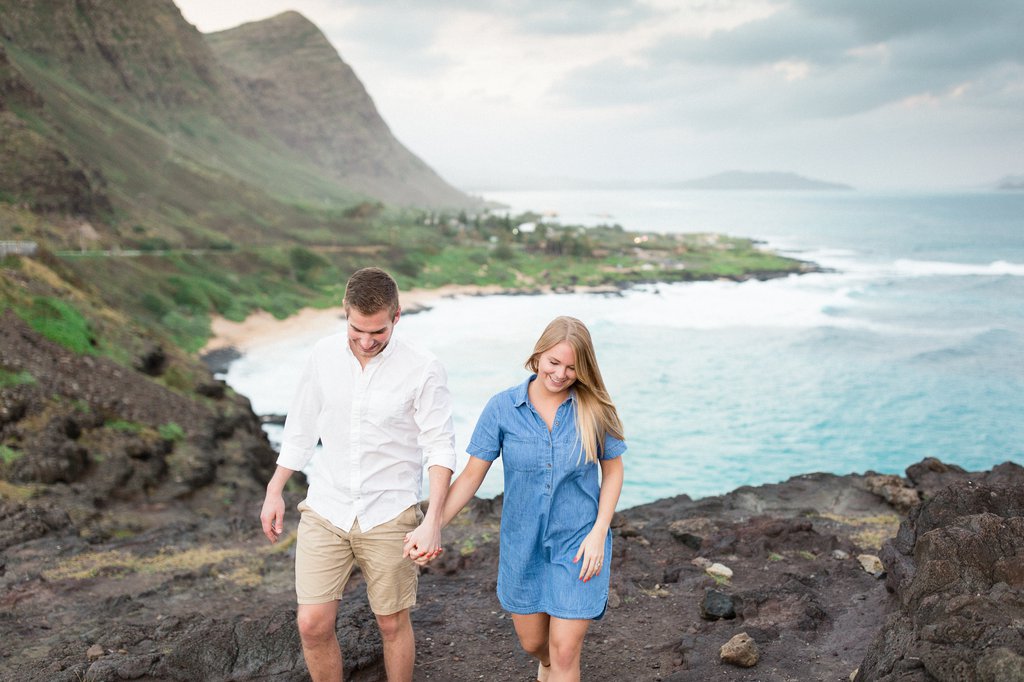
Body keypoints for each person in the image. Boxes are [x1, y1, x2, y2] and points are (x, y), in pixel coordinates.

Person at [260, 267, 455, 682]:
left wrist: (432, 522)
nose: (367, 342)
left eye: (378, 332)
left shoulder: (424, 367)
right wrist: (275, 490)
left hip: (390, 513)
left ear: (397, 316)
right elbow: (300, 427)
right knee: (311, 624)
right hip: (326, 507)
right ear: (345, 313)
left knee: (391, 623)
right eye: (356, 330)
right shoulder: (322, 355)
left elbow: (439, 447)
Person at [415, 315, 625, 682]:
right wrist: (431, 525)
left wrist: (599, 531)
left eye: (572, 367)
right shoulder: (502, 408)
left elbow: (613, 470)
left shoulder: (595, 409)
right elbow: (469, 477)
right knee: (535, 646)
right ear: (538, 356)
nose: (560, 374)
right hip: (522, 545)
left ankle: (558, 664)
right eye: (553, 362)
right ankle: (546, 665)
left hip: (578, 543)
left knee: (564, 652)